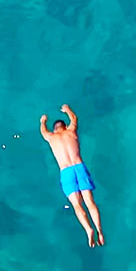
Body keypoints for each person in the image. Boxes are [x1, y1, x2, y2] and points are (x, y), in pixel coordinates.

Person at [39, 104, 104, 248]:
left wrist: (43, 121)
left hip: (66, 171)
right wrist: (67, 109)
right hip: (79, 167)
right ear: (64, 126)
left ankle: (89, 230)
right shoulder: (71, 131)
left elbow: (43, 132)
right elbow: (74, 118)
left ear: (54, 129)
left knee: (76, 204)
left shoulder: (51, 137)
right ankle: (100, 231)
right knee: (90, 202)